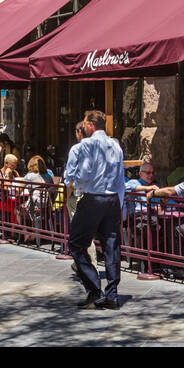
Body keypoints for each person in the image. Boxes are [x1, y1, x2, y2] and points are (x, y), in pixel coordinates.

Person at [64, 110, 127, 310]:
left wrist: (79, 190)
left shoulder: (86, 145)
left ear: (91, 125)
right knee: (111, 246)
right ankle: (112, 294)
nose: (82, 127)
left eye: (84, 123)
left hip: (93, 198)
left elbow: (82, 174)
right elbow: (120, 179)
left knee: (75, 243)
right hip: (112, 200)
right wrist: (120, 203)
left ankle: (93, 289)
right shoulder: (115, 146)